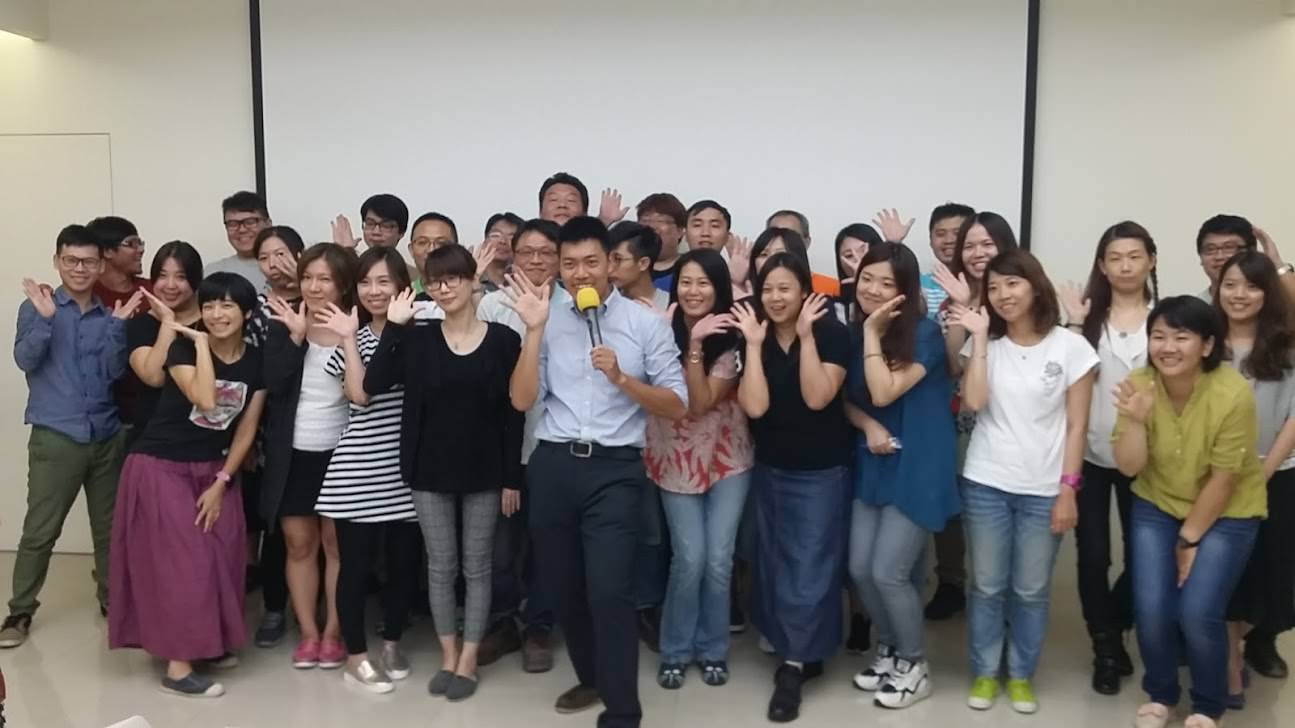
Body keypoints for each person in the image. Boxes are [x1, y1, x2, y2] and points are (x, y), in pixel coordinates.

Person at [506, 216, 687, 728]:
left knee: (610, 591)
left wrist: (622, 377)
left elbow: (676, 404)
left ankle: (623, 709)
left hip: (615, 469)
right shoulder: (545, 317)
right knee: (563, 588)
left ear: (612, 263)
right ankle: (592, 676)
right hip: (554, 464)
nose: (581, 273)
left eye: (591, 262)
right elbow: (521, 400)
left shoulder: (645, 323)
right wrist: (533, 331)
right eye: (570, 264)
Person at [365, 244, 523, 702]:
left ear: (474, 280)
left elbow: (513, 413)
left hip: (484, 469)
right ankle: (448, 655)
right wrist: (393, 326)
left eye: (454, 277)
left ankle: (469, 659)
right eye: (435, 280)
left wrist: (511, 477)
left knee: (477, 565)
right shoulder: (418, 338)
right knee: (440, 565)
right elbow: (373, 384)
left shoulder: (503, 340)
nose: (444, 287)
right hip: (428, 468)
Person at [949, 248, 1097, 714]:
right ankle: (985, 672)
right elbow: (974, 402)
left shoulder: (1070, 347)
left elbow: (1077, 425)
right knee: (987, 585)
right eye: (993, 287)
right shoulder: (986, 343)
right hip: (986, 482)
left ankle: (1020, 675)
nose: (1002, 295)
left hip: (1045, 489)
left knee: (1031, 590)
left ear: (1035, 285)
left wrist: (1068, 488)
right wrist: (977, 338)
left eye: (1012, 283)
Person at [108, 272, 267, 698]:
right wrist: (199, 344)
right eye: (210, 305)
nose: (216, 314)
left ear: (246, 313)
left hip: (213, 468)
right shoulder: (183, 347)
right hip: (161, 466)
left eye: (227, 305)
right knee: (186, 565)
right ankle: (178, 669)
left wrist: (222, 480)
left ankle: (207, 644)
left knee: (222, 557)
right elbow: (206, 399)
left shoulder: (256, 360)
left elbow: (246, 428)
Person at [1112, 296, 1266, 728]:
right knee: (1151, 606)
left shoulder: (1232, 392)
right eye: (1158, 336)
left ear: (1207, 345)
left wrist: (1189, 540)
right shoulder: (1138, 384)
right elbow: (1129, 467)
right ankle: (1161, 694)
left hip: (1229, 509)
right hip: (1158, 501)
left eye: (1181, 337)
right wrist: (1136, 421)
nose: (1167, 347)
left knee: (1198, 610)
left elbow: (1224, 479)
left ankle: (1207, 706)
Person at [0, 225, 142, 649]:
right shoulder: (36, 307)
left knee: (109, 529)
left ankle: (113, 600)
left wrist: (117, 328)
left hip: (105, 433)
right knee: (40, 529)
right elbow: (25, 360)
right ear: (57, 261)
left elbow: (115, 372)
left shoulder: (108, 314)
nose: (79, 269)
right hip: (57, 436)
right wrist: (45, 321)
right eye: (71, 260)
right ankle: (19, 610)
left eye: (88, 262)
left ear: (100, 265)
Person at [731, 253, 852, 723]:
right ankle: (799, 648)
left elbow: (818, 397)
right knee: (775, 561)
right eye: (767, 289)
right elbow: (755, 407)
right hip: (771, 466)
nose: (775, 297)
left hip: (821, 470)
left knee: (811, 566)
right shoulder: (755, 334)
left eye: (785, 288)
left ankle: (794, 668)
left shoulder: (832, 333)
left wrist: (805, 337)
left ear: (805, 290)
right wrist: (753, 346)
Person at [845, 242, 959, 709]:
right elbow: (848, 400)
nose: (872, 289)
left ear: (906, 290)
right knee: (859, 568)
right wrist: (867, 425)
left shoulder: (925, 334)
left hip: (919, 462)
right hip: (875, 456)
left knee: (889, 571)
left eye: (886, 283)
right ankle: (890, 649)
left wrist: (871, 335)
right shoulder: (855, 332)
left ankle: (915, 664)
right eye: (867, 278)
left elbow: (884, 391)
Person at [312, 247, 422, 694]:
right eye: (365, 282)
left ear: (403, 287)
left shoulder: (422, 335)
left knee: (403, 567)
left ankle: (392, 644)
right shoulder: (350, 336)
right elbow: (360, 395)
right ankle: (356, 657)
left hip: (409, 469)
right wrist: (348, 340)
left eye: (383, 281)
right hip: (358, 468)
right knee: (355, 568)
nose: (374, 291)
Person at [1058, 221, 1158, 695]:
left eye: (1134, 256)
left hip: (1149, 460)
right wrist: (1075, 324)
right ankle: (1105, 646)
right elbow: (1063, 380)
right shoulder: (1087, 319)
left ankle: (1116, 622)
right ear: (1102, 265)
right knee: (1094, 555)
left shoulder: (1164, 320)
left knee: (1146, 558)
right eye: (1115, 258)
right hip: (1092, 456)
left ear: (1151, 261)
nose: (1125, 266)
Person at [645, 248, 752, 690]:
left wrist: (694, 347)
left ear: (719, 288)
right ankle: (675, 650)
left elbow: (702, 402)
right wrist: (679, 339)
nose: (693, 291)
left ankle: (712, 650)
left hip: (728, 458)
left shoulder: (731, 335)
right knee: (689, 558)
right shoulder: (656, 328)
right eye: (686, 282)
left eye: (704, 283)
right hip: (675, 457)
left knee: (719, 559)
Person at [261, 243, 358, 670]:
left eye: (324, 279)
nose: (314, 287)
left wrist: (348, 337)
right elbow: (273, 384)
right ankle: (308, 634)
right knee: (299, 545)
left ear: (343, 285)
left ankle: (334, 633)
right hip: (292, 454)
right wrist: (297, 338)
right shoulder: (284, 321)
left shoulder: (355, 324)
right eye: (307, 278)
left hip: (342, 454)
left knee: (337, 546)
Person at [475, 219, 564, 674]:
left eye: (546, 252)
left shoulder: (577, 306)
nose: (535, 260)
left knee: (547, 542)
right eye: (527, 251)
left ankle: (539, 626)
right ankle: (503, 622)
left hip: (554, 446)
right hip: (500, 447)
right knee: (499, 547)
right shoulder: (493, 305)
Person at [925, 211, 1020, 621]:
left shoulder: (1018, 294)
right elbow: (951, 364)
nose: (977, 253)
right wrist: (962, 309)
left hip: (1012, 418)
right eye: (969, 246)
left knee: (1001, 509)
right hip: (961, 414)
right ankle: (952, 581)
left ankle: (1004, 592)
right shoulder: (954, 297)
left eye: (987, 244)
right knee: (955, 501)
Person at [1213, 252, 1295, 698]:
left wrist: (1263, 472)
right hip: (1214, 475)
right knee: (1225, 571)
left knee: (1273, 569)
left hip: (1276, 471)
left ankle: (1252, 640)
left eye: (1251, 286)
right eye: (1230, 284)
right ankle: (1229, 657)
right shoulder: (1206, 344)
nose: (1239, 294)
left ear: (1268, 294)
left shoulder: (1287, 345)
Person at [245, 226, 304, 648]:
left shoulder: (327, 300)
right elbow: (253, 377)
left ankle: (314, 610)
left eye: (281, 254)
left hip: (323, 431)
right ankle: (275, 608)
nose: (273, 265)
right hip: (272, 432)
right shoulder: (257, 311)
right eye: (264, 258)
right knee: (279, 527)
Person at [125, 242, 205, 442]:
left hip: (206, 439)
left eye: (181, 277)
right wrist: (168, 320)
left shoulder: (214, 322)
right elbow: (154, 377)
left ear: (196, 279)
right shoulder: (139, 325)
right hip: (152, 440)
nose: (170, 285)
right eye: (162, 276)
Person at [765, 209, 839, 297]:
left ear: (806, 242)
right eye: (775, 234)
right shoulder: (753, 287)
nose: (781, 241)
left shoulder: (833, 287)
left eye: (791, 235)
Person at [919, 203, 976, 318]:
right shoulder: (919, 284)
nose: (949, 240)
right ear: (930, 240)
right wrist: (894, 243)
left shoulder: (984, 284)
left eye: (957, 233)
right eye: (941, 234)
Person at [208, 191, 271, 290]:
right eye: (233, 224)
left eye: (250, 222)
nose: (242, 230)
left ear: (268, 224)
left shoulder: (287, 266)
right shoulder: (213, 272)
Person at [87, 215, 150, 309]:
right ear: (107, 251)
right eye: (132, 244)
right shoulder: (87, 295)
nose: (141, 250)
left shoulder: (152, 291)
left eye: (140, 243)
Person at [609, 222, 669, 310]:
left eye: (617, 259)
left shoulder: (669, 305)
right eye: (607, 260)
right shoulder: (605, 305)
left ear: (643, 263)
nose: (609, 269)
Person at [636, 193, 687, 290]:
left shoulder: (690, 268)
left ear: (680, 231)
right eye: (646, 220)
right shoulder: (627, 268)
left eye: (661, 221)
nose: (652, 227)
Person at [832, 223, 881, 321]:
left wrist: (895, 245)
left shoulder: (898, 293)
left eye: (865, 251)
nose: (859, 259)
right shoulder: (836, 308)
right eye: (849, 255)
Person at [332, 194, 410, 252]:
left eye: (385, 226)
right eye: (370, 224)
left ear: (401, 233)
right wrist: (343, 254)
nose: (376, 232)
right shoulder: (352, 265)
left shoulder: (407, 270)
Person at [408, 212, 458, 295]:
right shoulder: (403, 295)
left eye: (441, 243)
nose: (431, 250)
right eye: (422, 242)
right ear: (411, 250)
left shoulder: (470, 292)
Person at [480, 212, 522, 292]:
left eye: (511, 237)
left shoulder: (524, 281)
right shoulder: (471, 277)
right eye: (496, 235)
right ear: (485, 241)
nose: (503, 241)